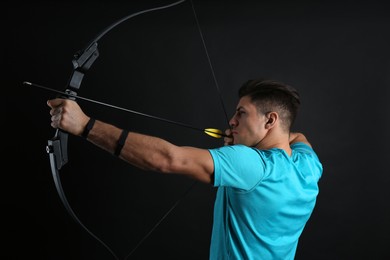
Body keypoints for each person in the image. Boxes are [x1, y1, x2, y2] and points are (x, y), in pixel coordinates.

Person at [47, 78, 323, 259]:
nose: (232, 120)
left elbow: (168, 158)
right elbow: (297, 138)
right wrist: (250, 142)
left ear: (270, 120)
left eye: (241, 113)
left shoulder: (251, 164)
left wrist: (84, 126)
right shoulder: (308, 165)